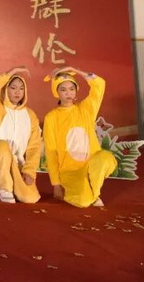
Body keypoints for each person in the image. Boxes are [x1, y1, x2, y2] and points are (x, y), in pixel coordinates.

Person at [43, 67, 117, 208]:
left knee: (105, 158)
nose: (68, 93)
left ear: (76, 90)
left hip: (90, 165)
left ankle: (93, 194)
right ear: (56, 92)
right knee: (83, 202)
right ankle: (92, 194)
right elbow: (51, 151)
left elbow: (99, 84)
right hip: (70, 171)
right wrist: (56, 184)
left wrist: (73, 70)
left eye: (72, 89)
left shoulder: (86, 109)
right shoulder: (51, 118)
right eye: (63, 90)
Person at [0, 67, 41, 204]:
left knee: (30, 198)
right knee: (2, 146)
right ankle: (5, 188)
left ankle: (12, 182)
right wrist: (14, 70)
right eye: (13, 88)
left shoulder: (30, 115)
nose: (18, 92)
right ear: (6, 89)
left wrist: (29, 171)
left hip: (16, 163)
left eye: (21, 88)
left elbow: (34, 146)